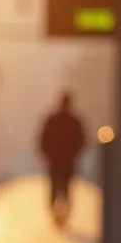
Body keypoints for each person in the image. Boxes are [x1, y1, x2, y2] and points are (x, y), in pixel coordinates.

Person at [37, 91, 86, 227]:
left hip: (54, 160)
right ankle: (65, 214)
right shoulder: (75, 120)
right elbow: (82, 140)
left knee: (54, 186)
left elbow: (43, 139)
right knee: (66, 187)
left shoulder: (52, 119)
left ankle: (55, 212)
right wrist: (74, 153)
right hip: (68, 161)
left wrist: (47, 155)